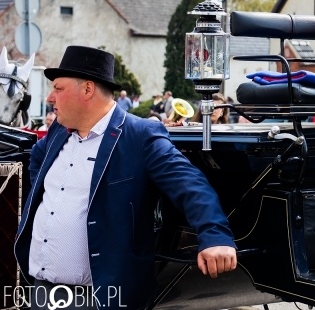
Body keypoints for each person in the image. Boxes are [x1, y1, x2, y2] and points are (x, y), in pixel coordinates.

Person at [15, 46, 237, 310]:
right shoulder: (58, 132)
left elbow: (191, 184)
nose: (50, 97)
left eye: (58, 88)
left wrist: (215, 235)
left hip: (101, 298)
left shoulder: (139, 135)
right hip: (42, 290)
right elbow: (37, 160)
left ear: (87, 89)